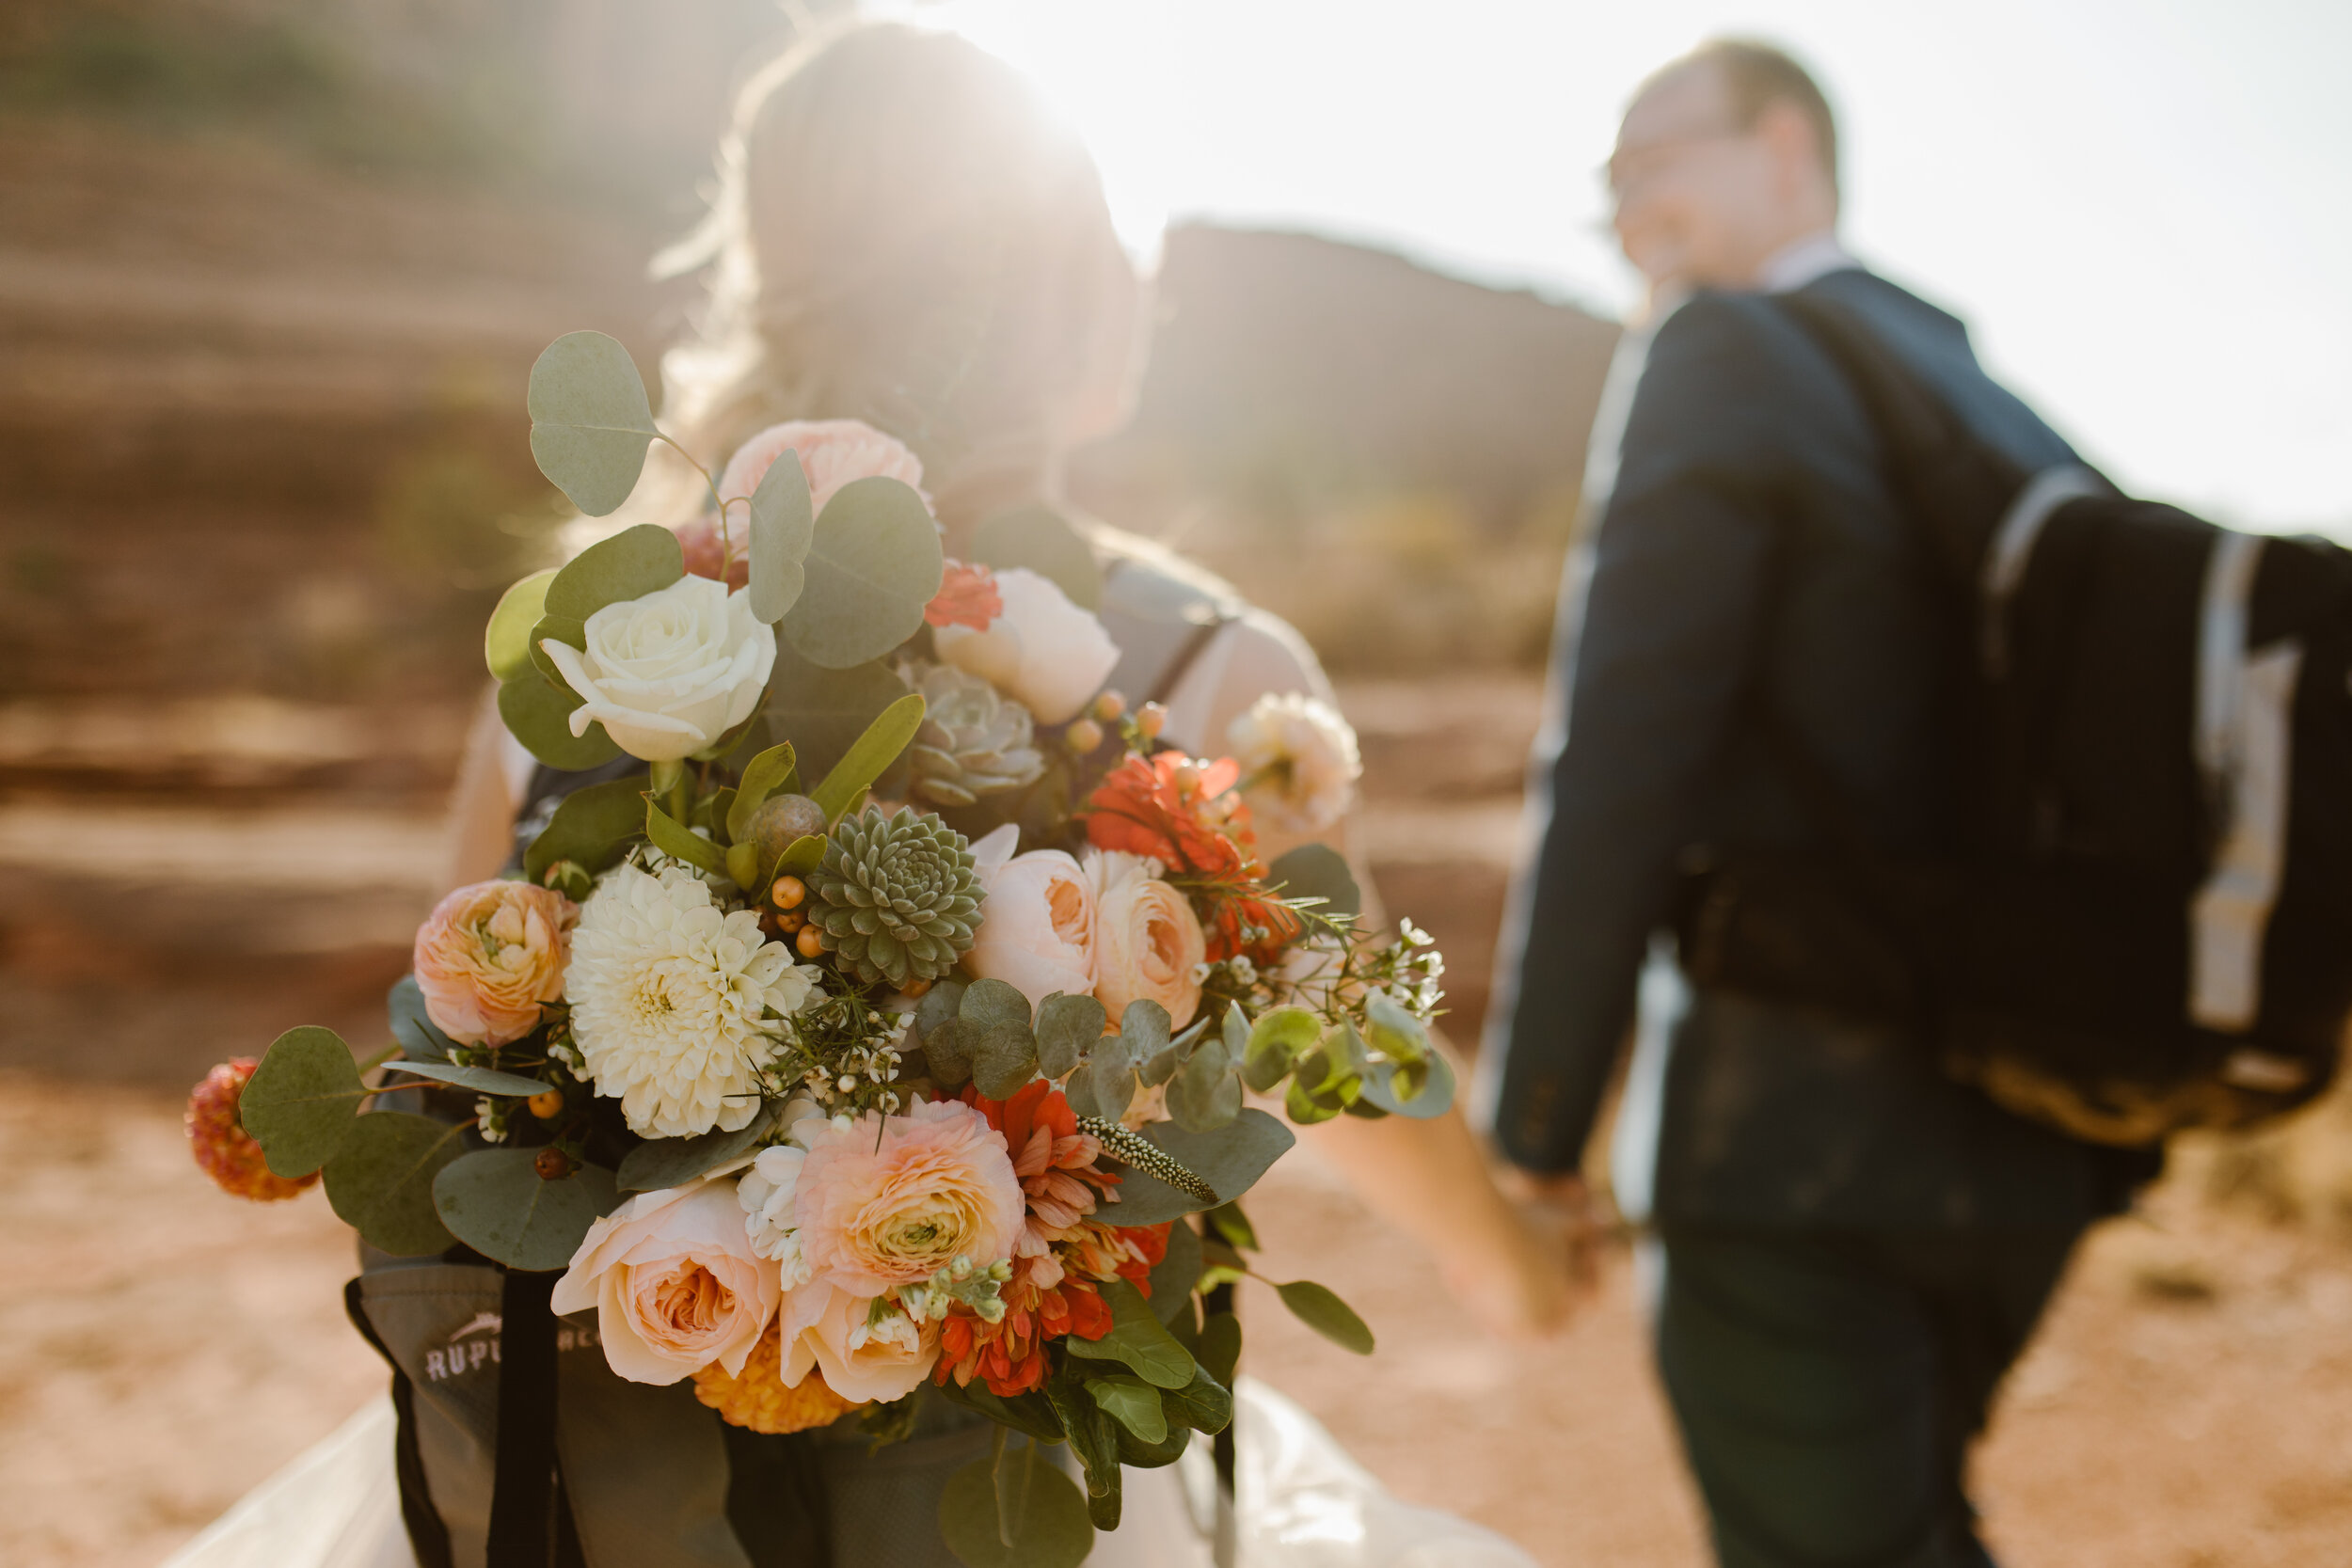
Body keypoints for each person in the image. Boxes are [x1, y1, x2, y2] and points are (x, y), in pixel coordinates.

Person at [170, 21, 1558, 1568]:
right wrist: (1513, 1265)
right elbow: (1344, 1055)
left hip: (613, 1487)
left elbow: (452, 1022)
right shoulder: (1209, 667)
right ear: (1067, 295)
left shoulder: (601, 656)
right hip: (1009, 1495)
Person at [1482, 39, 2154, 1568]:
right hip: (2026, 1141)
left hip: (1794, 1151)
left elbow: (1624, 750)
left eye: (1653, 162)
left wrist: (1534, 1135)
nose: (1629, 212)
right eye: (1608, 195)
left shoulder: (1721, 351)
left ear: (1787, 148)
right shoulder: (1978, 387)